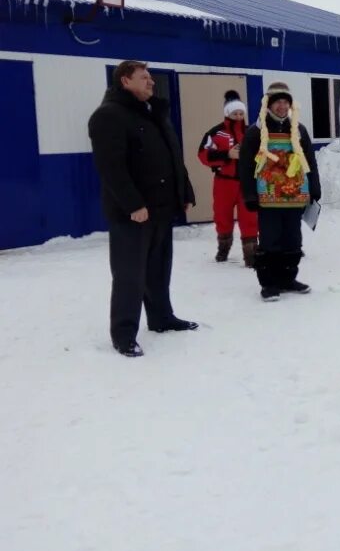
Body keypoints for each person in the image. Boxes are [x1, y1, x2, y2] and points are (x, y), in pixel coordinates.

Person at [88, 60, 197, 358]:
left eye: (150, 77)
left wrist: (184, 191)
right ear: (125, 81)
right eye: (144, 77)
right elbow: (111, 168)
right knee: (129, 274)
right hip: (133, 213)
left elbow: (174, 154)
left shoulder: (153, 113)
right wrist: (133, 204)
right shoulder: (108, 116)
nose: (151, 82)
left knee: (159, 269)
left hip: (161, 208)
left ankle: (162, 318)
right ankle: (124, 334)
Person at [238, 81, 321, 301]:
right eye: (278, 103)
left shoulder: (299, 129)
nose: (282, 107)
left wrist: (314, 187)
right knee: (270, 241)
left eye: (285, 102)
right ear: (269, 105)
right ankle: (269, 283)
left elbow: (309, 160)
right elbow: (245, 165)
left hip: (294, 196)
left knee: (293, 240)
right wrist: (249, 195)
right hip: (268, 197)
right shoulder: (257, 131)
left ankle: (288, 279)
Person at [198, 90, 258, 266]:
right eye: (235, 113)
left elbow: (262, 154)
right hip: (224, 182)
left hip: (247, 183)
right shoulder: (216, 133)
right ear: (227, 113)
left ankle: (251, 255)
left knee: (250, 217)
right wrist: (227, 155)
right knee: (222, 216)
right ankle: (223, 248)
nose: (238, 116)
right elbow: (203, 154)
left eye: (241, 113)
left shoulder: (252, 132)